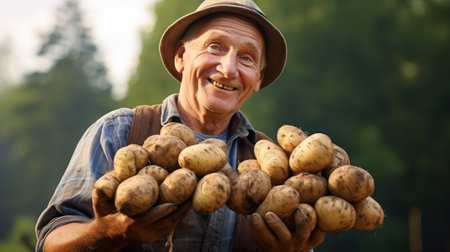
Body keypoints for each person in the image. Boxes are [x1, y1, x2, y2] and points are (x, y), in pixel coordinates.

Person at [35, 0, 326, 251]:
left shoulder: (278, 165)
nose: (229, 68)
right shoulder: (118, 132)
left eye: (247, 58)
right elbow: (50, 240)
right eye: (215, 46)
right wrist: (110, 231)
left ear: (258, 79)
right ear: (180, 57)